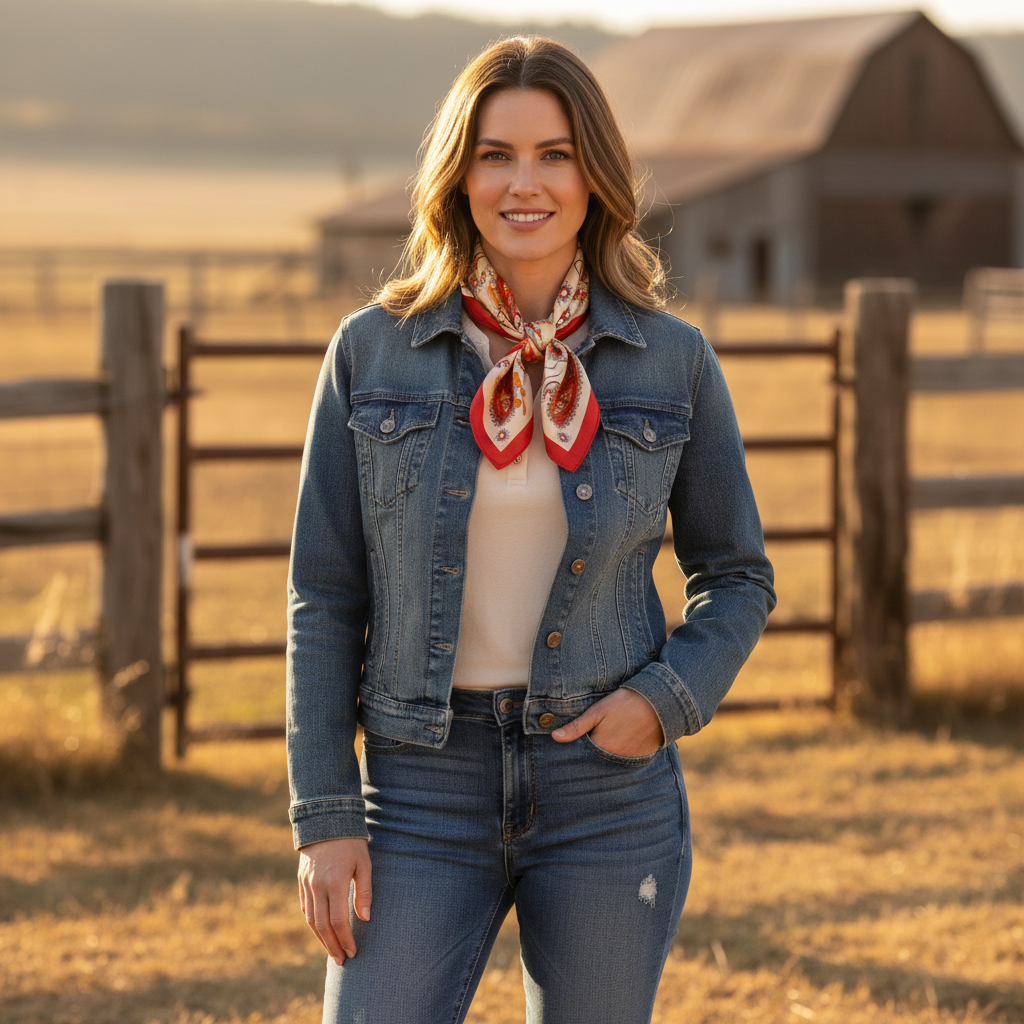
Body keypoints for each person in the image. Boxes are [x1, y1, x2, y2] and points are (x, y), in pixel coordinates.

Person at [286, 36, 775, 1024]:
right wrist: (326, 815)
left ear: (594, 175)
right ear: (457, 174)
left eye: (553, 154)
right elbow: (324, 594)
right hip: (420, 784)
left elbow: (736, 573)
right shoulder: (372, 349)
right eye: (495, 154)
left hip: (605, 787)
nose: (525, 183)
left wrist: (667, 699)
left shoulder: (669, 360)